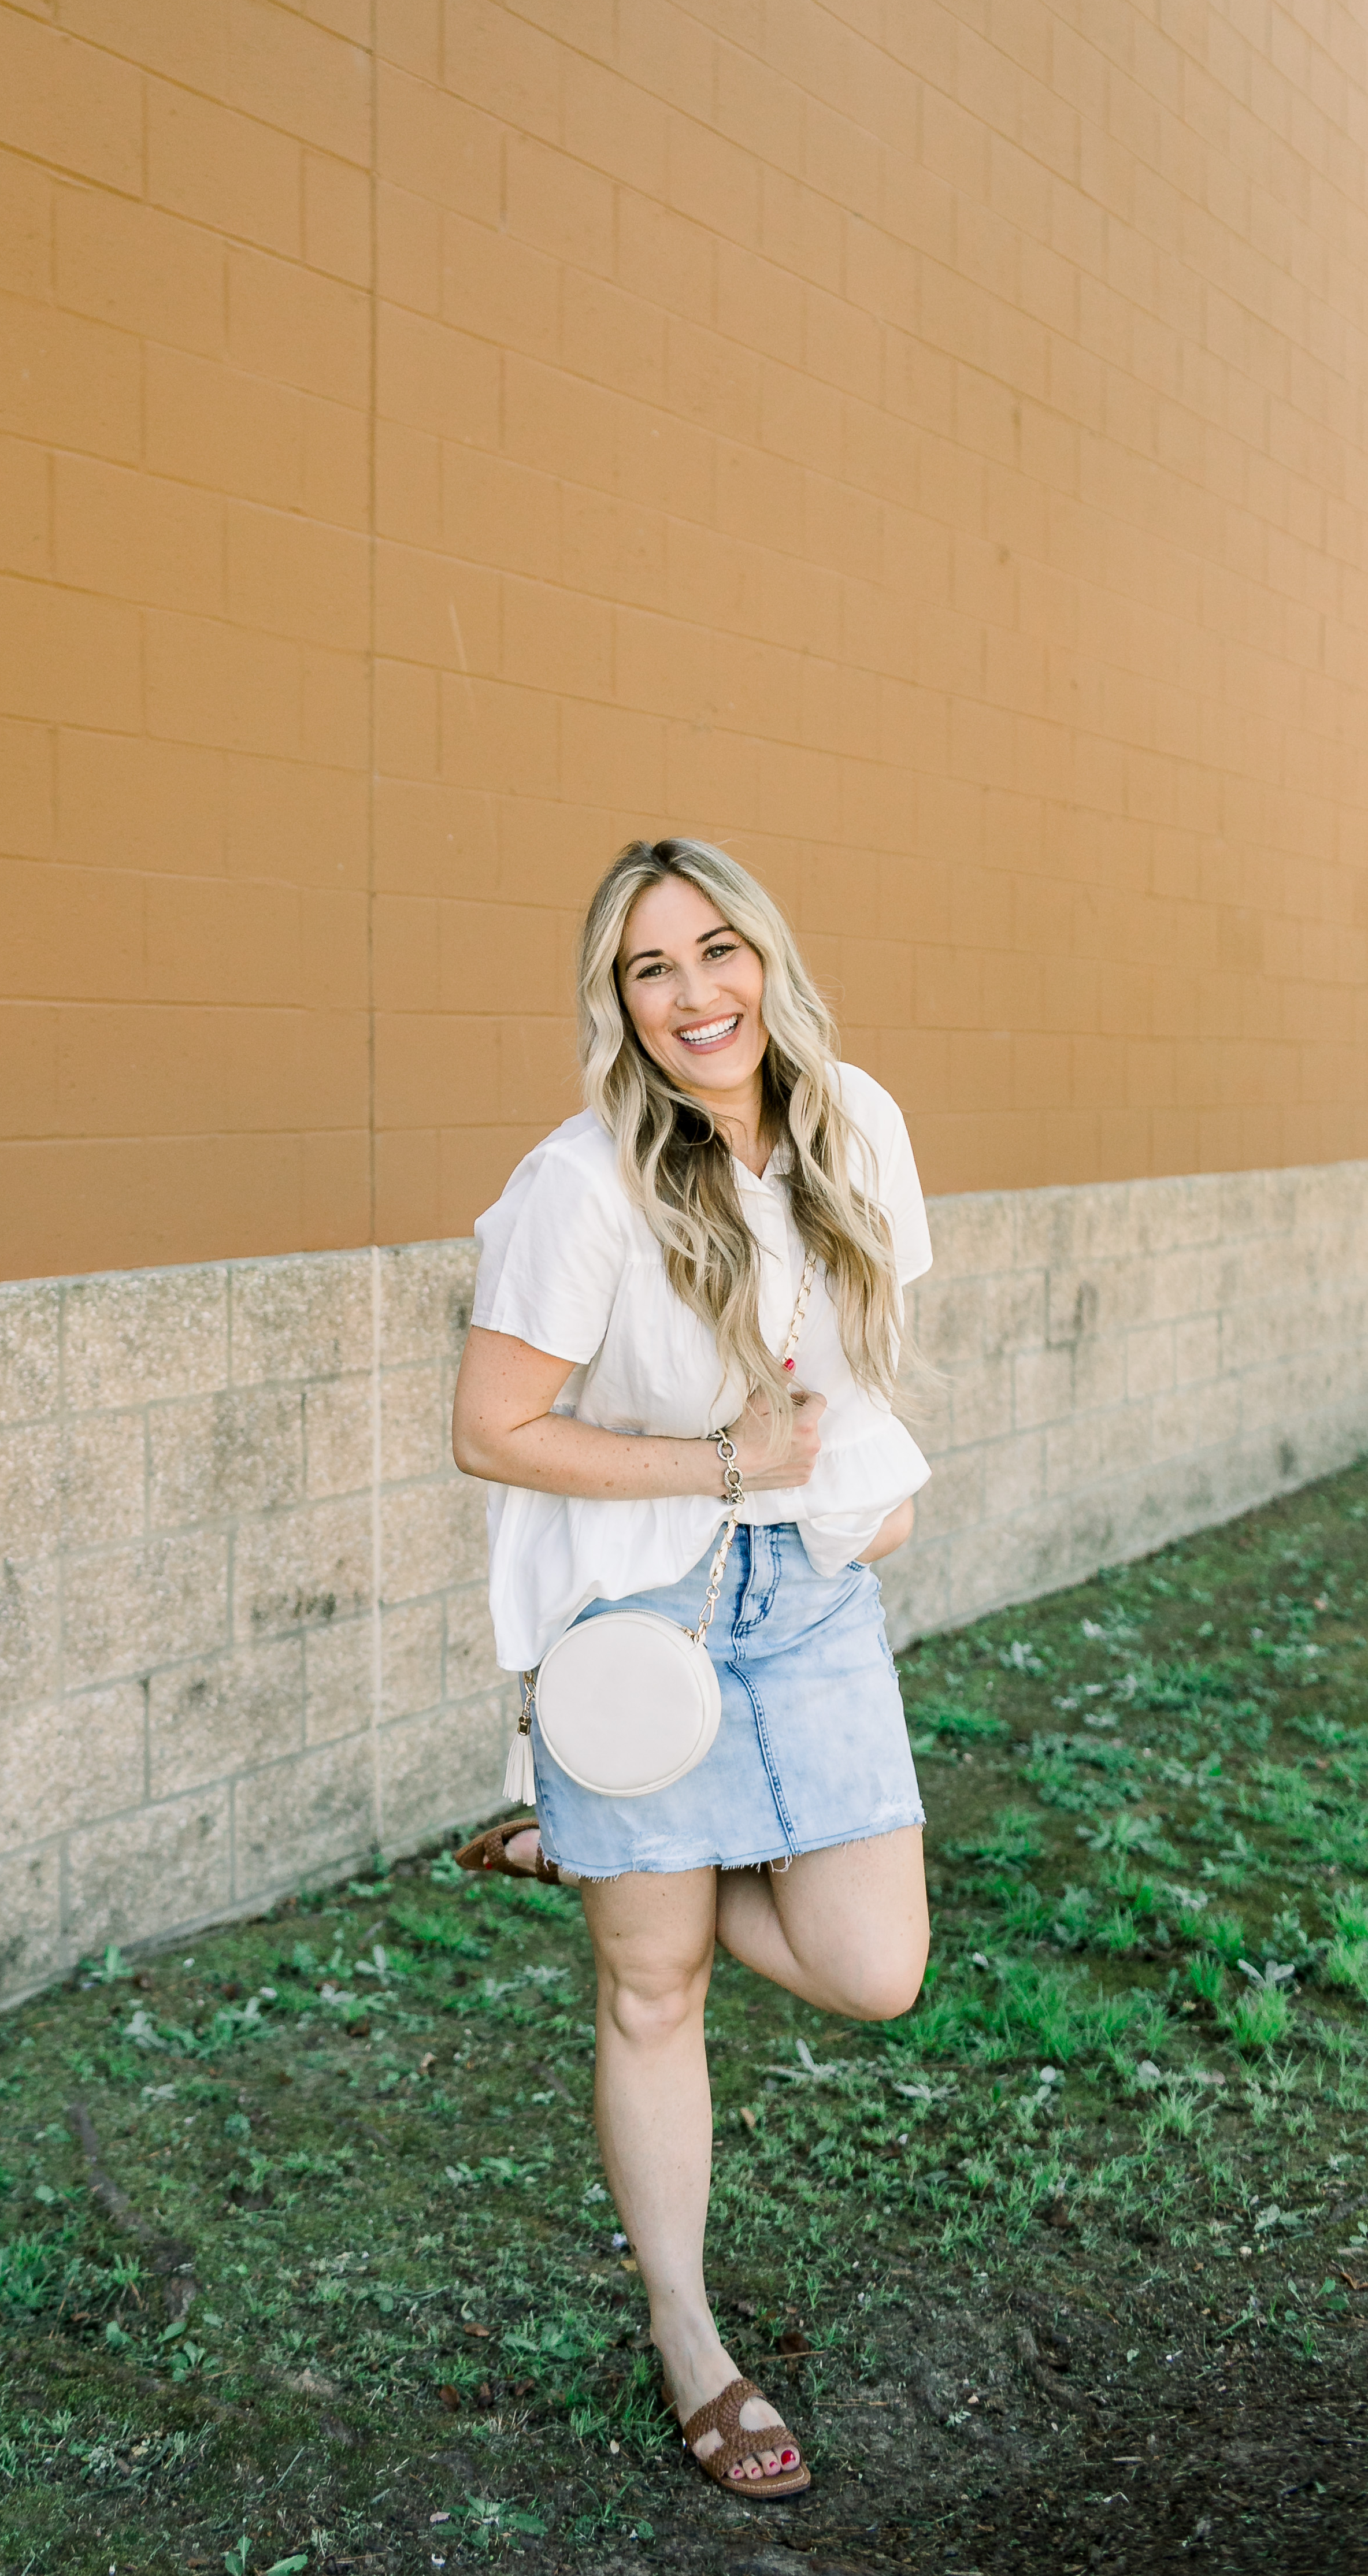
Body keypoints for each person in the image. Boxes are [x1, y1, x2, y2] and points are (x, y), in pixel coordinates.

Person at [450, 836, 934, 2501]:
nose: (693, 994)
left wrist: (875, 1483)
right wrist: (723, 1472)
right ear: (619, 1003)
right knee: (654, 1992)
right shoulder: (581, 1188)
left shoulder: (857, 1122)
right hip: (637, 1629)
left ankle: (588, 1847)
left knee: (877, 1968)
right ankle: (689, 2340)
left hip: (807, 1604)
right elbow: (489, 1430)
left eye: (714, 951)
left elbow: (853, 1370)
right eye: (650, 969)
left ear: (767, 959)